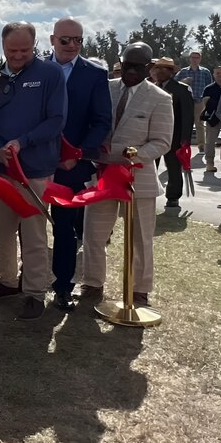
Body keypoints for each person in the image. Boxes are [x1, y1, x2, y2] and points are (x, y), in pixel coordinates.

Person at [0, 22, 66, 321]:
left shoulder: (50, 74)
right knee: (2, 233)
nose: (17, 55)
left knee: (34, 235)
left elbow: (56, 120)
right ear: (2, 46)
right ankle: (6, 281)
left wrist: (23, 142)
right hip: (1, 171)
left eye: (24, 50)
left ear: (35, 44)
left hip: (35, 171)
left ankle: (34, 292)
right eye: (11, 50)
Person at [80, 42, 172, 306]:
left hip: (138, 179)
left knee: (141, 240)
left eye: (138, 67)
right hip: (102, 174)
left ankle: (140, 290)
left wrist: (133, 155)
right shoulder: (104, 89)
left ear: (149, 68)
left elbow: (162, 141)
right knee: (94, 234)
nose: (131, 71)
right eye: (127, 65)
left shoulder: (161, 99)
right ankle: (92, 284)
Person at [47, 19, 112, 311]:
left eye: (78, 40)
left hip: (72, 166)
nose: (72, 45)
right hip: (35, 162)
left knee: (64, 228)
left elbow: (101, 122)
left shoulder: (94, 74)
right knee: (32, 225)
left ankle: (63, 287)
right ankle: (32, 278)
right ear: (52, 40)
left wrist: (80, 154)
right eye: (65, 40)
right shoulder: (38, 70)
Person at [149, 56, 193, 209]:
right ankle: (148, 194)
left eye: (163, 69)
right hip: (151, 136)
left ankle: (173, 197)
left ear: (171, 72)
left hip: (173, 137)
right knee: (149, 167)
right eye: (157, 68)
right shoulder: (150, 87)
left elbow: (187, 117)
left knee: (173, 168)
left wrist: (185, 140)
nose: (159, 72)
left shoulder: (181, 89)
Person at [175, 51, 211, 152]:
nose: (195, 59)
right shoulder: (183, 71)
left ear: (200, 59)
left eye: (197, 57)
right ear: (189, 59)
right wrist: (183, 81)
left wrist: (207, 101)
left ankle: (201, 146)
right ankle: (184, 145)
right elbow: (174, 83)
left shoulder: (205, 72)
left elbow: (209, 87)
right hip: (186, 101)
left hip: (199, 101)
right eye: (193, 57)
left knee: (199, 124)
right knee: (186, 124)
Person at [201, 67, 221, 172]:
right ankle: (209, 163)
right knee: (210, 141)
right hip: (213, 118)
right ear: (214, 75)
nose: (220, 74)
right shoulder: (208, 89)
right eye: (218, 73)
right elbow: (204, 104)